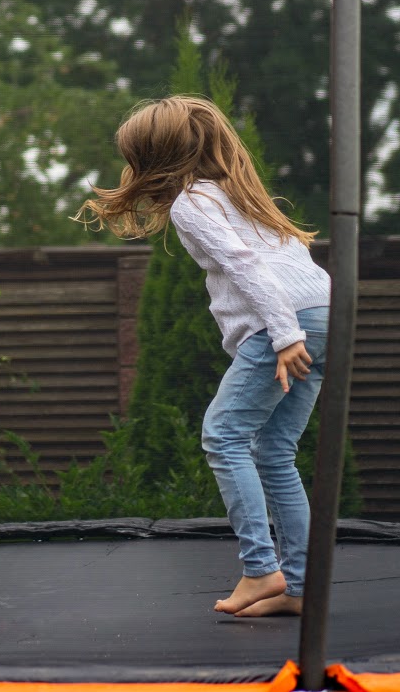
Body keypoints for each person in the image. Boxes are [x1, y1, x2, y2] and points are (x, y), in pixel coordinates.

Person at [79, 95, 331, 617]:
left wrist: (284, 333)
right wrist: (301, 327)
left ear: (154, 158)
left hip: (284, 323)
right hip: (327, 316)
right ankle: (302, 590)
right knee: (275, 449)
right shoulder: (241, 194)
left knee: (223, 433)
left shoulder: (192, 202)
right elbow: (292, 261)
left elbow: (245, 266)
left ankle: (261, 569)